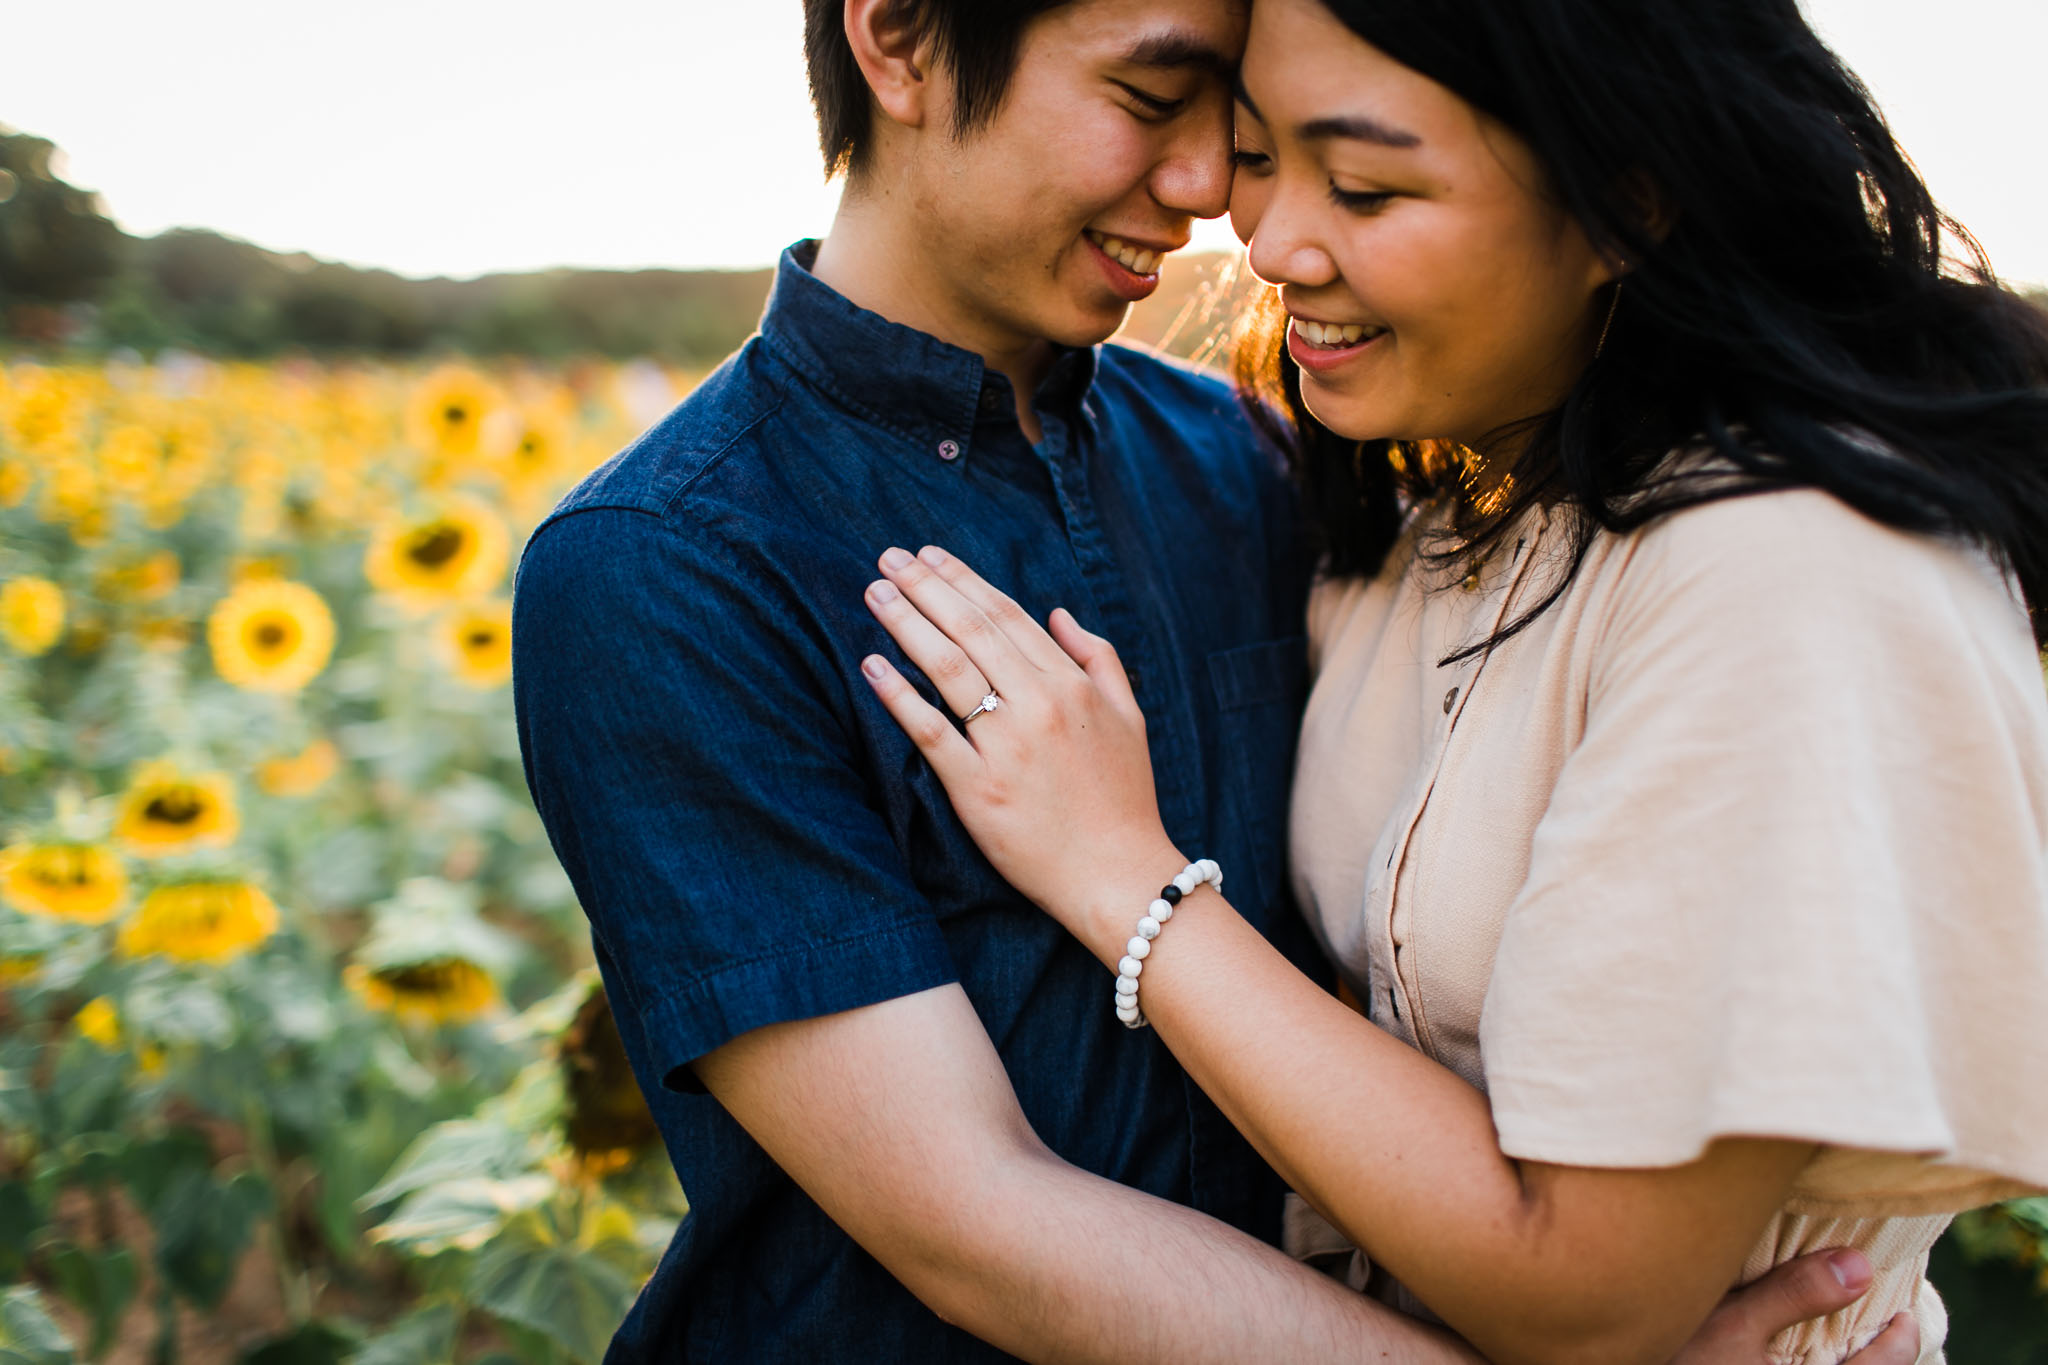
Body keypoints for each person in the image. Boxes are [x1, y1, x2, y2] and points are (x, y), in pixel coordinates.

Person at [513, 0, 1922, 1360]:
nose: (1203, 189)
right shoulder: (668, 565)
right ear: (899, 37)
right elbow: (976, 1222)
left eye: (1233, 118)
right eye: (1146, 97)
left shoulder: (1259, 461)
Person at [854, 0, 2048, 1362]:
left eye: (1364, 186)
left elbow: (1590, 1294)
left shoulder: (1785, 570)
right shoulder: (1432, 497)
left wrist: (1127, 880)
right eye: (1259, 155)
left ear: (1627, 202)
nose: (1269, 240)